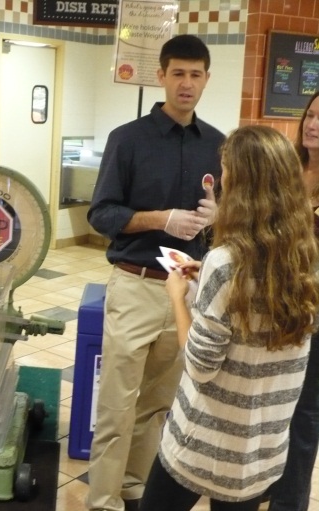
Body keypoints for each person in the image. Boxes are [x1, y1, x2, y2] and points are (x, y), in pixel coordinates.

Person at [139, 124, 319, 511]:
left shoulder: (226, 264)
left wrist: (178, 298)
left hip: (202, 446)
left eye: (226, 171)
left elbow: (200, 366)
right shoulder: (305, 259)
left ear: (240, 184)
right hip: (259, 454)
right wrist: (206, 275)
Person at [86, 34, 225, 511]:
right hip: (135, 284)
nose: (187, 83)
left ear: (206, 79)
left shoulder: (218, 145)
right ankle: (102, 501)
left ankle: (133, 490)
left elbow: (226, 222)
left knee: (157, 405)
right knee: (117, 406)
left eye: (195, 74)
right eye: (178, 73)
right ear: (162, 76)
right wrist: (159, 219)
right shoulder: (127, 139)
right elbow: (101, 214)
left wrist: (218, 217)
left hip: (185, 291)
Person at [266, 92, 319, 511]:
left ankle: (290, 502)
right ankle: (263, 482)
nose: (313, 125)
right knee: (271, 403)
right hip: (276, 304)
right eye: (311, 114)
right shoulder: (288, 170)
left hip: (314, 314)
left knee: (304, 412)